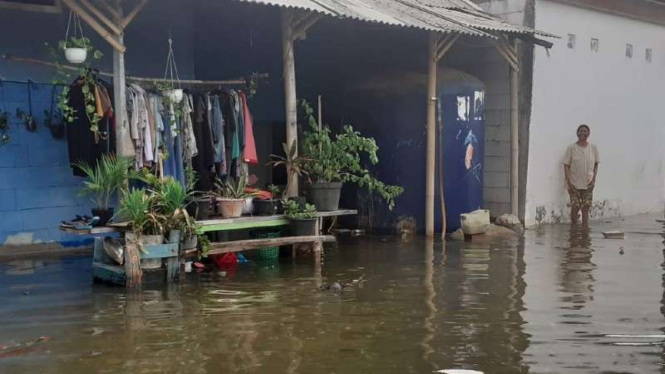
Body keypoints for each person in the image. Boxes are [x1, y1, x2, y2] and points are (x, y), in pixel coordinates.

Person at [562, 124, 599, 225]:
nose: (582, 133)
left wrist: (594, 179)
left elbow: (596, 164)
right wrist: (569, 181)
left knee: (586, 206)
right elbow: (566, 165)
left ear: (588, 134)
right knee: (576, 206)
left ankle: (584, 229)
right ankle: (574, 226)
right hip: (573, 183)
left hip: (588, 183)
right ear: (577, 133)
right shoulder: (571, 148)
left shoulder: (593, 148)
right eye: (580, 131)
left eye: (585, 131)